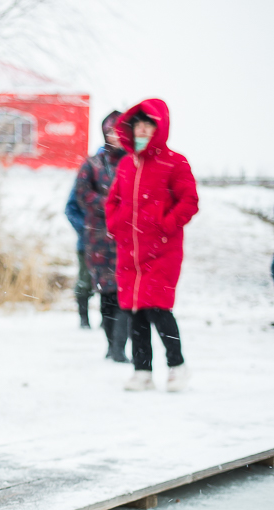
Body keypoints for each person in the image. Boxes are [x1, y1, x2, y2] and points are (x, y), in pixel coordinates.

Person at [106, 100, 197, 392]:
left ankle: (177, 367)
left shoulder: (175, 162)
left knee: (159, 309)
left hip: (162, 251)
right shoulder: (125, 164)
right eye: (138, 126)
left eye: (148, 126)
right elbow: (114, 202)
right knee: (135, 311)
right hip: (130, 251)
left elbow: (189, 201)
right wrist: (117, 226)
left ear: (159, 129)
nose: (142, 131)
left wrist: (165, 226)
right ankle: (142, 371)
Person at [74, 110, 130, 361]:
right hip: (99, 240)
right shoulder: (93, 164)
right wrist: (111, 203)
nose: (115, 136)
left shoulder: (134, 163)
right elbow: (82, 195)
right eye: (110, 131)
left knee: (125, 294)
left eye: (119, 131)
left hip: (129, 239)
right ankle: (111, 344)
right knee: (107, 293)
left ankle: (120, 347)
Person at [64, 186, 92, 328]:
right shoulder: (86, 176)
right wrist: (86, 229)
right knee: (85, 281)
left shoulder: (120, 171)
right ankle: (84, 319)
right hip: (86, 244)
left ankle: (108, 322)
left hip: (114, 243)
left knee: (113, 285)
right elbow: (70, 208)